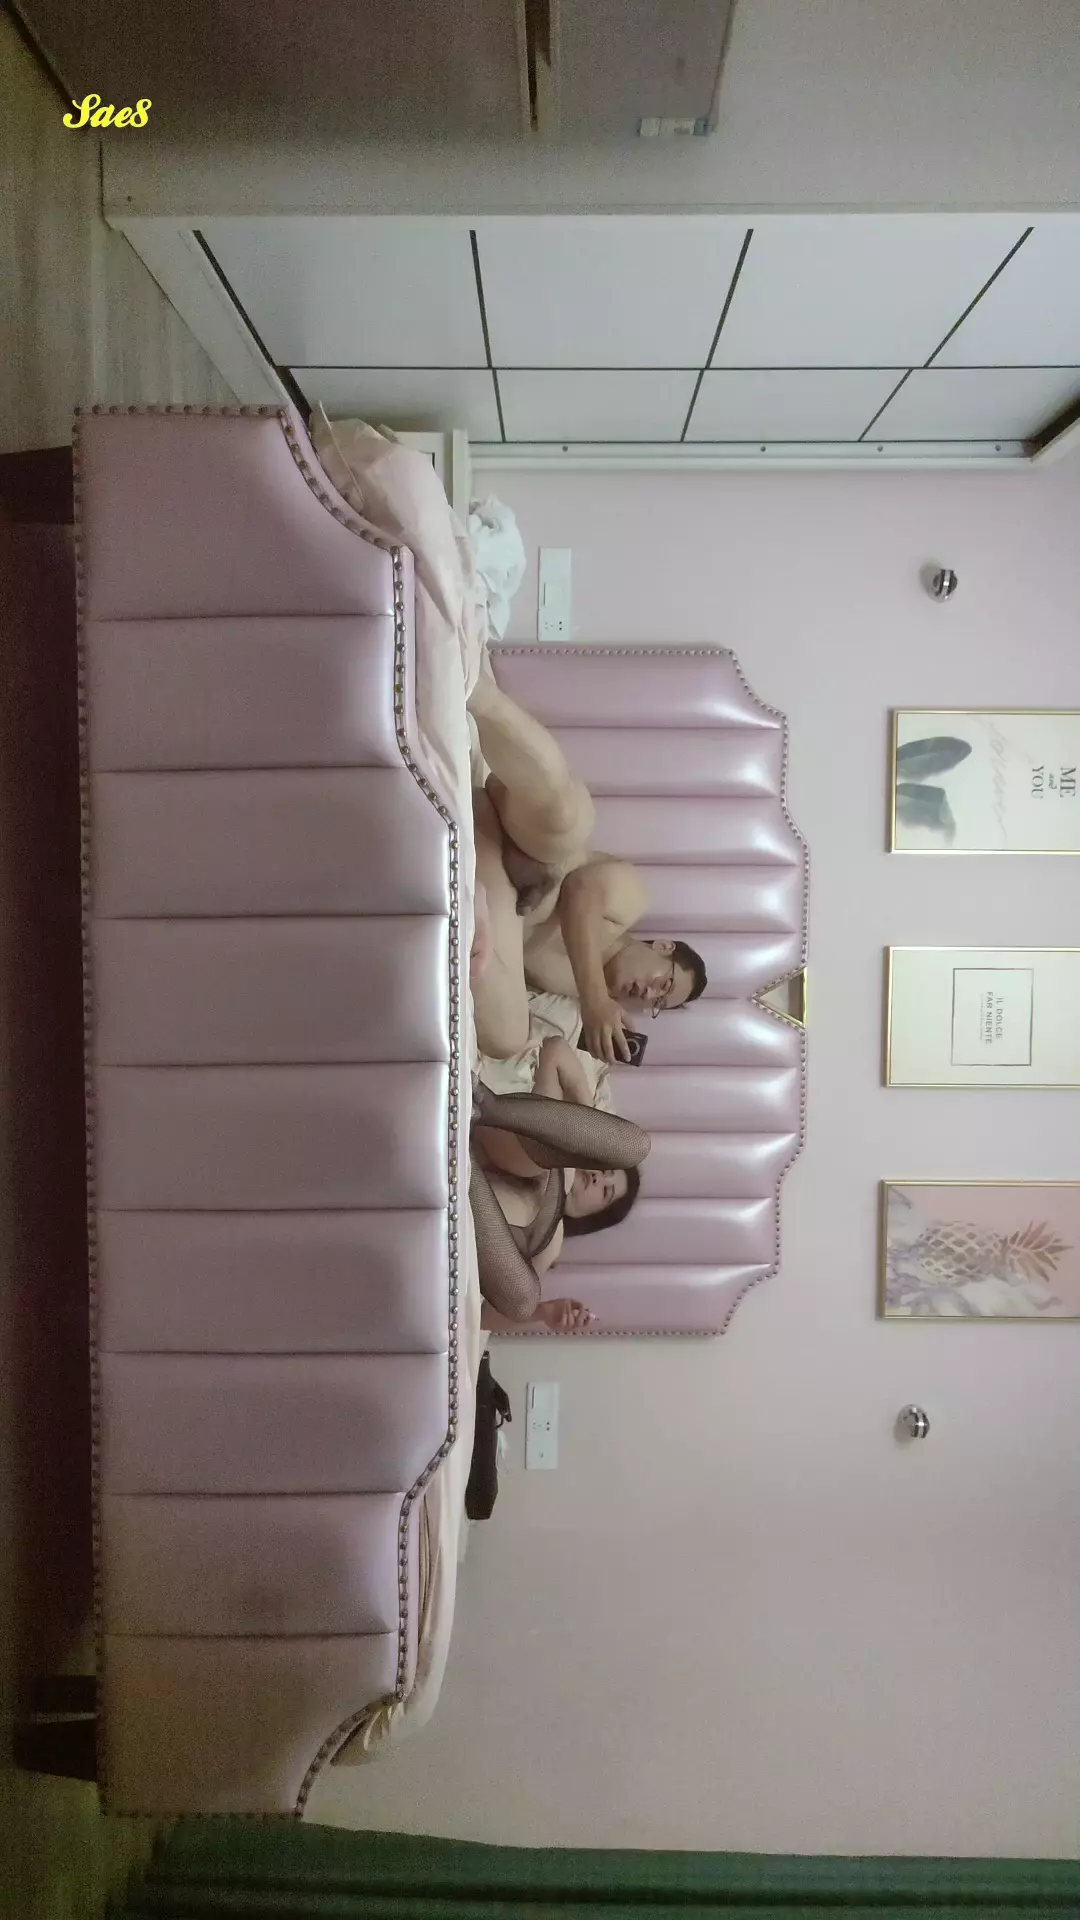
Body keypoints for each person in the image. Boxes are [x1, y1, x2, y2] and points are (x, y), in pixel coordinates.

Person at [468, 670, 707, 1063]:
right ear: (664, 947)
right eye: (663, 983)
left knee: (507, 1036)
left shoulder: (570, 992)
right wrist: (596, 1000)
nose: (648, 994)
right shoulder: (631, 903)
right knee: (568, 821)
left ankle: (461, 912)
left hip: (490, 896)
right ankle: (476, 691)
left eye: (657, 1003)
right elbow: (579, 893)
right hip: (502, 825)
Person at [470, 1037, 649, 1332]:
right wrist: (589, 1120)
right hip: (502, 1137)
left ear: (591, 1216)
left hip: (476, 1195)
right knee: (633, 1146)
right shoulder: (557, 1136)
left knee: (524, 1300)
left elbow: (480, 1317)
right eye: (603, 1170)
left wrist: (543, 1313)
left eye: (605, 1192)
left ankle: (464, 1160)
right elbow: (555, 1050)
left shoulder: (550, 1244)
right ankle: (481, 1106)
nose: (596, 1178)